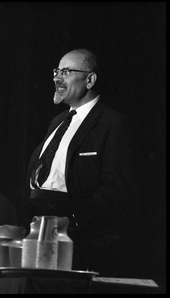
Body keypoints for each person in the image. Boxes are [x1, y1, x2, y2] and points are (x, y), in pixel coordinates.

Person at [21, 48, 142, 277]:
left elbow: (115, 188)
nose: (57, 78)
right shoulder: (58, 121)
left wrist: (74, 223)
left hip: (78, 236)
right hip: (37, 227)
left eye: (66, 71)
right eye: (57, 71)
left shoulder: (113, 124)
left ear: (90, 79)